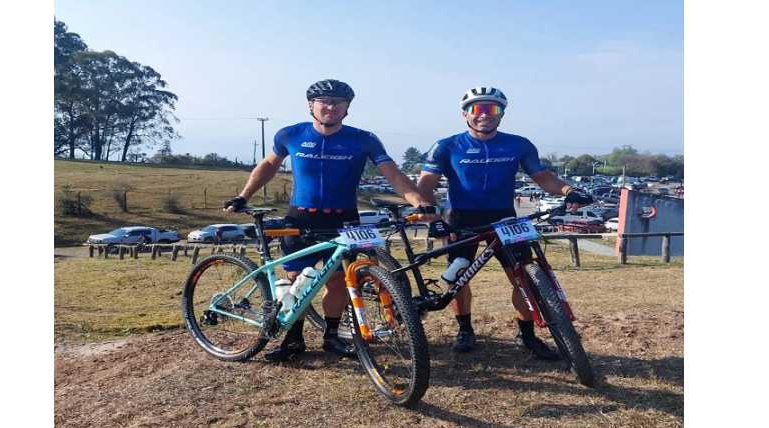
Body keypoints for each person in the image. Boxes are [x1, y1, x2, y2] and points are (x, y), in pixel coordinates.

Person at [224, 79, 434, 362]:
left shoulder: (364, 139)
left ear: (347, 108)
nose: (331, 106)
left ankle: (331, 336)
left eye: (338, 102)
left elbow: (393, 174)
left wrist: (418, 201)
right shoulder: (290, 134)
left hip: (344, 220)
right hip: (300, 218)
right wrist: (243, 196)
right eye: (324, 101)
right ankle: (293, 339)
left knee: (339, 283)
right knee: (298, 280)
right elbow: (269, 166)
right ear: (312, 105)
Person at [417, 86, 592, 357]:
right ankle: (464, 329)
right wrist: (431, 215)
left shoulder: (518, 144)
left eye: (493, 109)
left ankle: (528, 334)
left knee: (525, 277)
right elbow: (425, 184)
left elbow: (543, 177)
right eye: (477, 109)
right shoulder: (446, 145)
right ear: (465, 114)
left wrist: (569, 190)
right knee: (459, 278)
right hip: (461, 218)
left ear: (502, 114)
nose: (485, 115)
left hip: (505, 218)